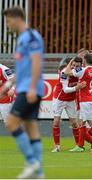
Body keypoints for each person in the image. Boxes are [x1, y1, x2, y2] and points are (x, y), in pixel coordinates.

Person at [2, 6, 44, 179]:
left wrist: (32, 86)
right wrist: (9, 83)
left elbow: (36, 62)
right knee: (31, 128)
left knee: (11, 123)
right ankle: (39, 172)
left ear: (16, 17)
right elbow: (23, 67)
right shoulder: (22, 39)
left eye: (8, 20)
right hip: (24, 87)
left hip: (29, 89)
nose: (7, 24)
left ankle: (32, 162)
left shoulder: (31, 36)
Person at [65, 53, 92, 153]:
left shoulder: (82, 70)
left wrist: (70, 62)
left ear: (85, 60)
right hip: (90, 98)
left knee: (91, 122)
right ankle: (80, 145)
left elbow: (66, 72)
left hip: (85, 100)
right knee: (82, 122)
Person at [52, 57, 86, 152]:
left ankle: (78, 145)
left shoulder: (80, 71)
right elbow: (66, 90)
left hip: (71, 100)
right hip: (60, 99)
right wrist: (77, 87)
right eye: (73, 65)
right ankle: (57, 146)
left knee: (75, 123)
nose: (75, 67)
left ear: (81, 65)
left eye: (77, 66)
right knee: (56, 121)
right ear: (70, 64)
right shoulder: (64, 73)